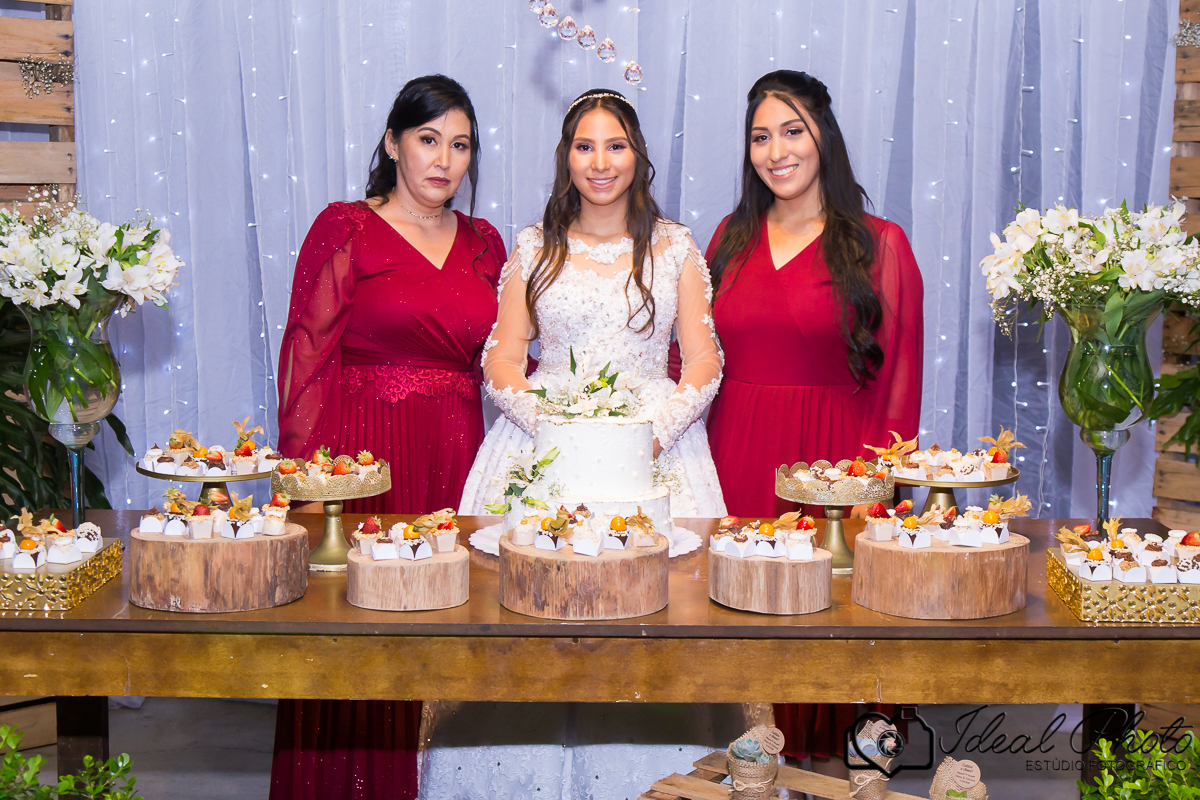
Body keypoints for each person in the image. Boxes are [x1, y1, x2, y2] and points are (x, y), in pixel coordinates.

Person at [438, 88, 735, 799]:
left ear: (638, 155)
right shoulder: (533, 246)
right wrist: (550, 426)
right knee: (525, 618)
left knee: (654, 619)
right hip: (541, 441)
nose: (601, 162)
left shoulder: (674, 246)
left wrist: (653, 433)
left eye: (616, 145)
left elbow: (704, 360)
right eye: (585, 146)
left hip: (655, 447)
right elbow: (502, 356)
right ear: (565, 157)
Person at [273, 75, 506, 800]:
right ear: (392, 143)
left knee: (449, 618)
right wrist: (308, 484)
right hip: (366, 458)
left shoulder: (486, 243)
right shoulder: (345, 226)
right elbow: (306, 354)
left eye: (459, 145)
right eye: (428, 139)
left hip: (456, 453)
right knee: (360, 627)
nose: (443, 160)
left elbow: (509, 359)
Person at [704, 70, 923, 777]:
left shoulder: (880, 244)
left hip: (834, 473)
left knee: (837, 649)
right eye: (760, 137)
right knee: (745, 642)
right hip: (737, 461)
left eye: (792, 131)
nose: (777, 152)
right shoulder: (728, 239)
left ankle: (847, 783)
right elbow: (695, 357)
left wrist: (871, 493)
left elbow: (899, 385)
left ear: (823, 134)